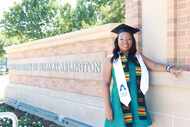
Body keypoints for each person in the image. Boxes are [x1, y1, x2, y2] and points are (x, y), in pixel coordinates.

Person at [103, 24, 182, 127]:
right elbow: (105, 83)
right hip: (119, 103)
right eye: (122, 39)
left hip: (137, 101)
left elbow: (153, 65)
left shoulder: (138, 57)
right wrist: (107, 107)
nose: (125, 42)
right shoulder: (111, 59)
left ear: (133, 41)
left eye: (129, 39)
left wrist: (169, 68)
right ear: (117, 41)